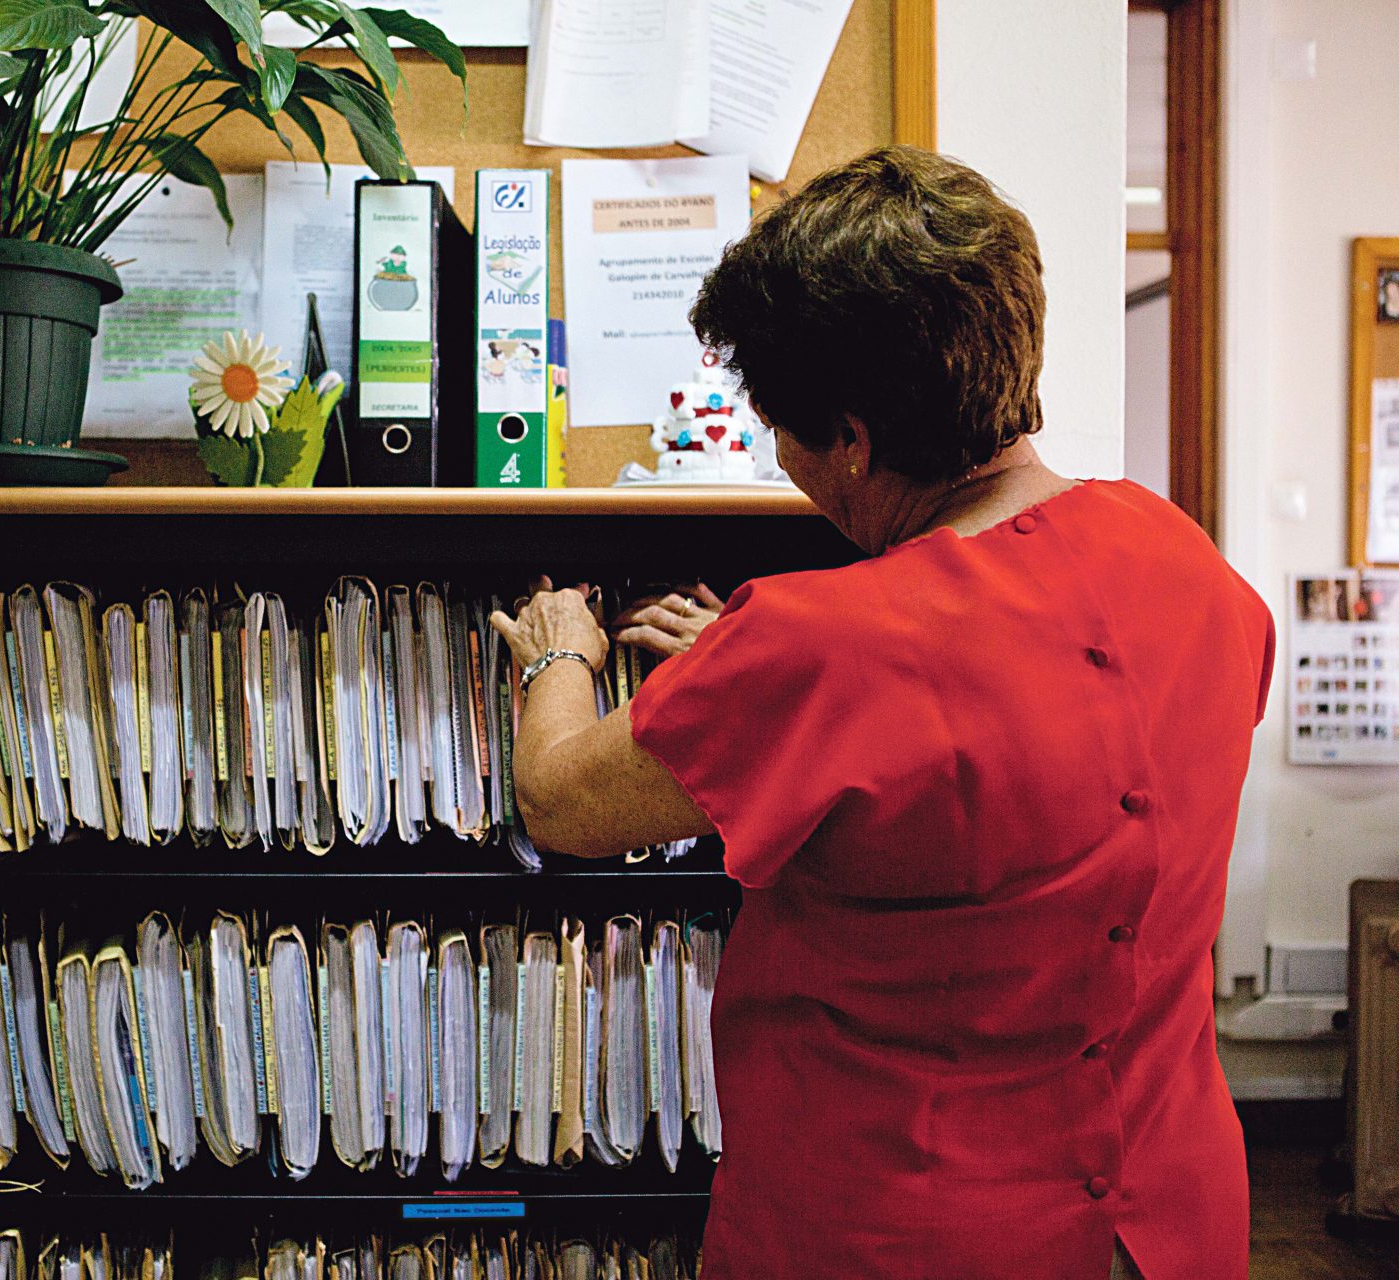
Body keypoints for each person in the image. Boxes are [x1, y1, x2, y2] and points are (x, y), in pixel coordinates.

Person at [490, 146, 1272, 1280]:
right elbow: (1050, 737)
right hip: (1166, 1222)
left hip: (894, 1233)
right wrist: (783, 698)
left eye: (781, 427)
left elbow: (559, 797)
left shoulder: (818, 644)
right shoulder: (1188, 560)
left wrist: (561, 649)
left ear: (851, 436)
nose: (783, 454)